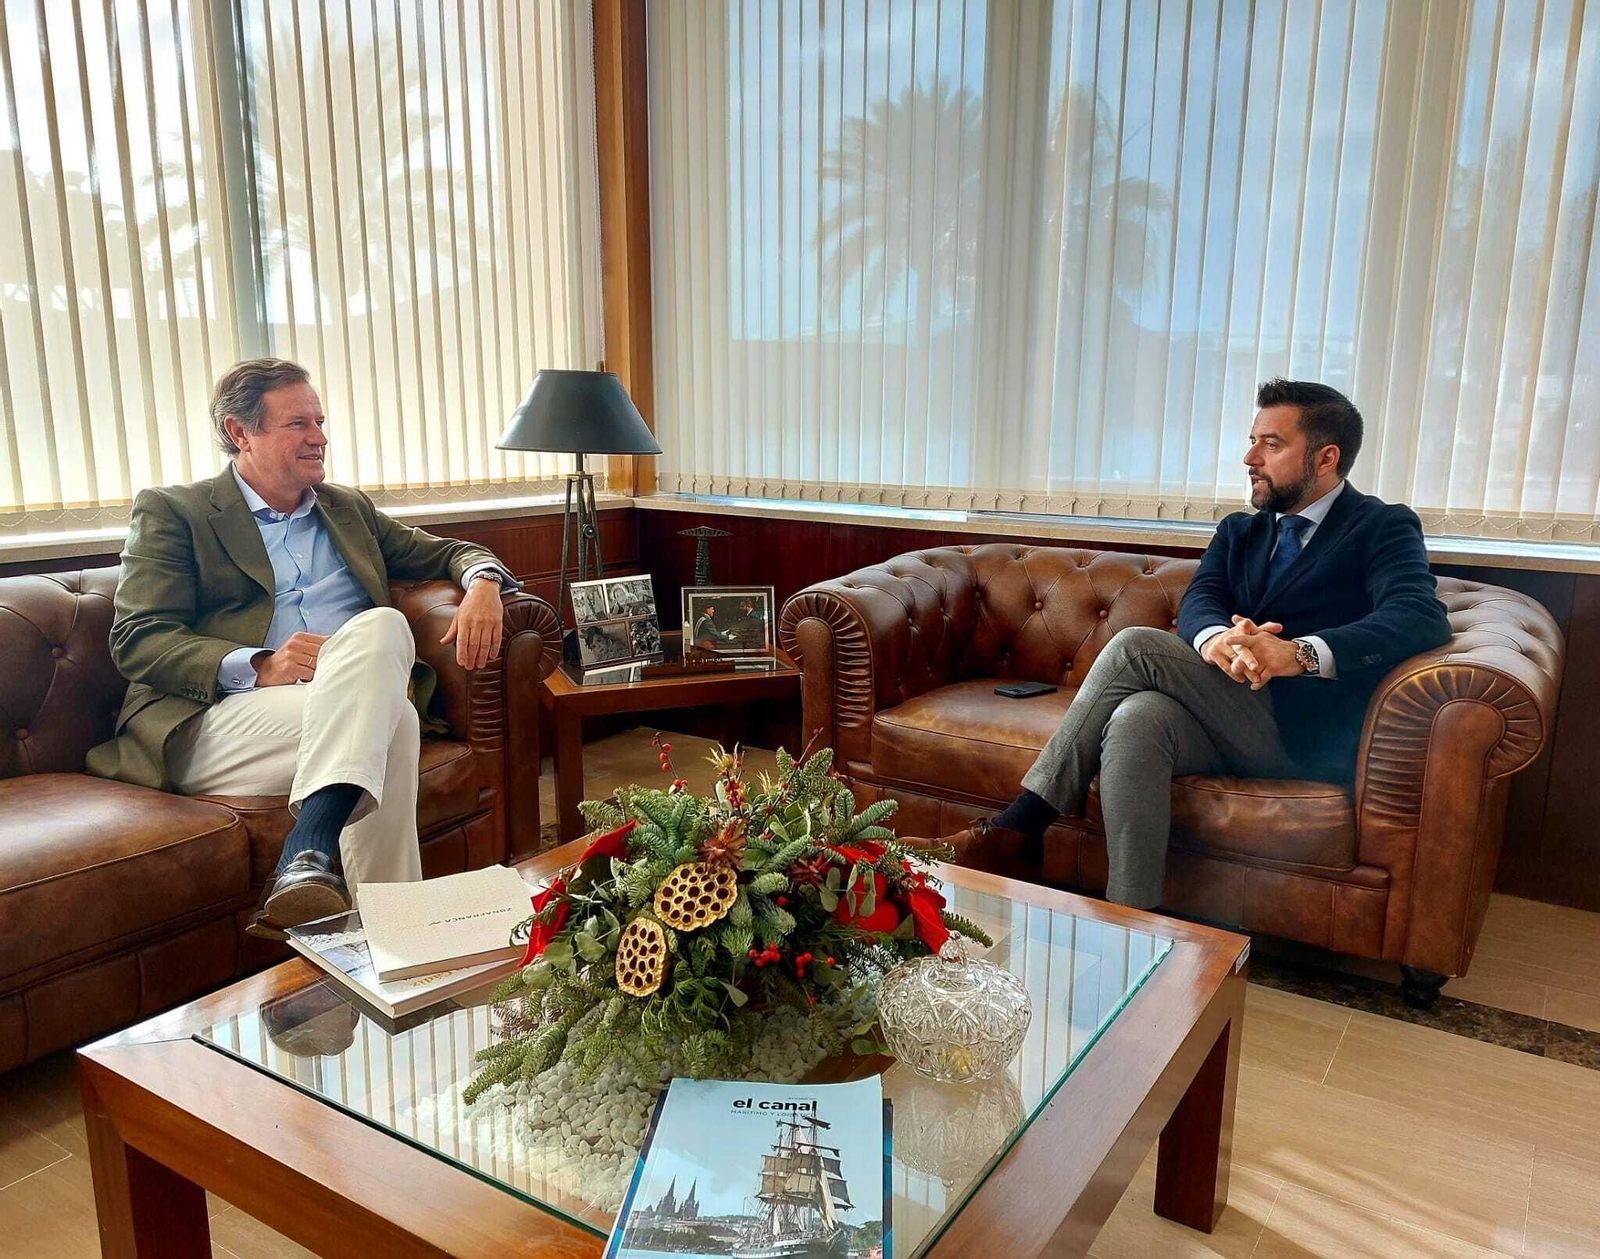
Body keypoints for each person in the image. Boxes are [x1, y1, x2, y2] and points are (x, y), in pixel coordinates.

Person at [909, 379, 1452, 910]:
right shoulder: (1240, 530)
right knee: (1138, 719)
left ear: (1326, 458)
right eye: (1252, 440)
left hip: (1303, 733)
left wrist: (1299, 653)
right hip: (1226, 716)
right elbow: (1201, 600)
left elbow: (1418, 617)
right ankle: (1132, 920)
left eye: (1271, 444)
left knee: (1137, 647)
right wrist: (1217, 641)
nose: (1250, 458)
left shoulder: (1381, 526)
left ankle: (1018, 829)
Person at [86, 358, 517, 938]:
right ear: (240, 432)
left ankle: (324, 880)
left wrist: (484, 584)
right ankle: (392, 932)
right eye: (298, 424)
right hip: (217, 720)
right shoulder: (177, 512)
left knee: (385, 656)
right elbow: (139, 637)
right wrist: (259, 665)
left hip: (333, 714)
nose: (320, 437)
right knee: (392, 709)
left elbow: (448, 551)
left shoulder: (346, 509)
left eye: (320, 422)